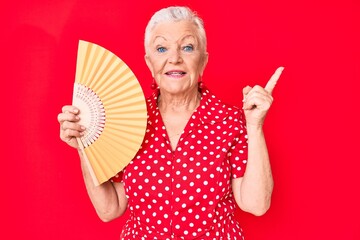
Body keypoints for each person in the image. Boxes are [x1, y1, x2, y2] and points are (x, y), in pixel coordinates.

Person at [58, 6, 283, 239]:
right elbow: (110, 208)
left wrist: (255, 126)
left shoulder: (231, 121)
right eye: (161, 48)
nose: (174, 58)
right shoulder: (126, 117)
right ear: (149, 62)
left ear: (203, 61)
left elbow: (256, 204)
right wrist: (84, 144)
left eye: (187, 47)